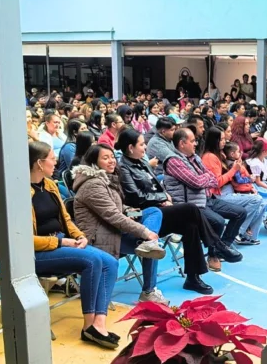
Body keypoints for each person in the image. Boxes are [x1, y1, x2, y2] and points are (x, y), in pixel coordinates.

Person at [118, 129, 241, 289]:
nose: (145, 147)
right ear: (130, 148)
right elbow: (136, 197)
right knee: (191, 209)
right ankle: (217, 246)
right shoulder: (123, 168)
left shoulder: (142, 163)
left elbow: (157, 187)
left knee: (191, 225)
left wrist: (165, 196)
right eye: (142, 144)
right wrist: (161, 198)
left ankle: (193, 278)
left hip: (159, 210)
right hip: (140, 215)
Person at [28, 141, 120, 350]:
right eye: (52, 158)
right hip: (38, 251)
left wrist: (80, 236)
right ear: (39, 163)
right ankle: (89, 326)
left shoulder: (49, 185)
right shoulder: (22, 194)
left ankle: (99, 322)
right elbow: (25, 240)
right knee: (92, 260)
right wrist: (61, 241)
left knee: (111, 263)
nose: (56, 161)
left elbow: (66, 219)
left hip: (60, 241)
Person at [72, 143, 168, 305]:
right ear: (94, 162)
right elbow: (113, 215)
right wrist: (144, 231)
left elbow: (119, 208)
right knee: (150, 243)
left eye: (112, 157)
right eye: (105, 158)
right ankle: (149, 291)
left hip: (115, 228)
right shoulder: (92, 185)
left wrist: (132, 212)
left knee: (152, 211)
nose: (111, 161)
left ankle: (149, 245)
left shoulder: (106, 179)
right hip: (103, 236)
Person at [163, 128, 250, 258]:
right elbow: (197, 182)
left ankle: (221, 249)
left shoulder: (195, 158)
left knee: (241, 213)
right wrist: (207, 178)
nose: (196, 144)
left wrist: (205, 179)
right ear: (182, 143)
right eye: (192, 141)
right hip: (191, 205)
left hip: (207, 198)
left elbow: (213, 180)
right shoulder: (174, 161)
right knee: (218, 222)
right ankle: (214, 253)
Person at [201, 127, 266, 245]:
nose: (224, 142)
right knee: (256, 200)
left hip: (229, 191)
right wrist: (234, 170)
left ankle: (248, 237)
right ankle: (239, 232)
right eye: (221, 139)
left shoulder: (219, 155)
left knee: (262, 205)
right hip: (219, 195)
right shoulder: (210, 157)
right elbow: (217, 182)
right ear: (214, 141)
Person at [241, 139, 267, 234]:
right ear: (263, 151)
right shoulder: (255, 163)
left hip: (265, 185)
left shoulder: (263, 160)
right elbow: (258, 182)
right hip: (257, 188)